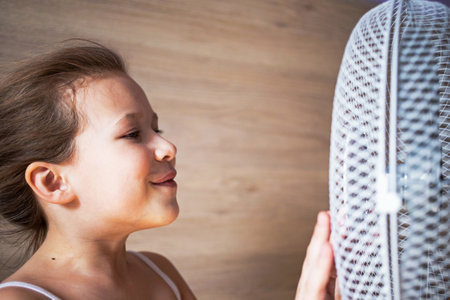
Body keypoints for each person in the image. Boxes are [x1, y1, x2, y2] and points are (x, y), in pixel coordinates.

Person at [0, 42, 338, 299]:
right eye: (132, 134)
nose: (168, 147)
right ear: (52, 181)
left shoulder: (160, 272)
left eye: (156, 129)